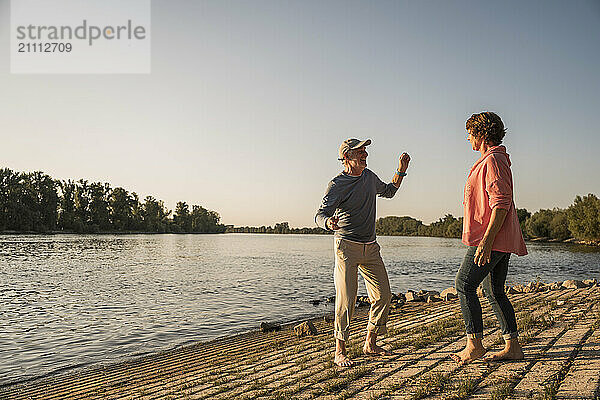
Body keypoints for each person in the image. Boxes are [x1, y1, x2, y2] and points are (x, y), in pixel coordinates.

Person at [315, 138, 410, 367]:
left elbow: (388, 191)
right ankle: (340, 350)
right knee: (347, 299)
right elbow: (319, 214)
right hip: (346, 246)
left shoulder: (369, 177)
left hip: (371, 246)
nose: (365, 153)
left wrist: (401, 171)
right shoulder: (337, 184)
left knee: (383, 295)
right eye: (360, 151)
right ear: (347, 157)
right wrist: (328, 223)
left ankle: (371, 343)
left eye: (365, 150)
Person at [451, 112, 527, 365]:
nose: (468, 138)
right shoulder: (492, 159)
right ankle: (512, 347)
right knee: (493, 291)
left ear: (481, 134)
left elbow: (501, 203)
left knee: (464, 285)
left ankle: (474, 345)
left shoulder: (493, 160)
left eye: (470, 133)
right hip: (499, 237)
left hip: (492, 238)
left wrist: (485, 241)